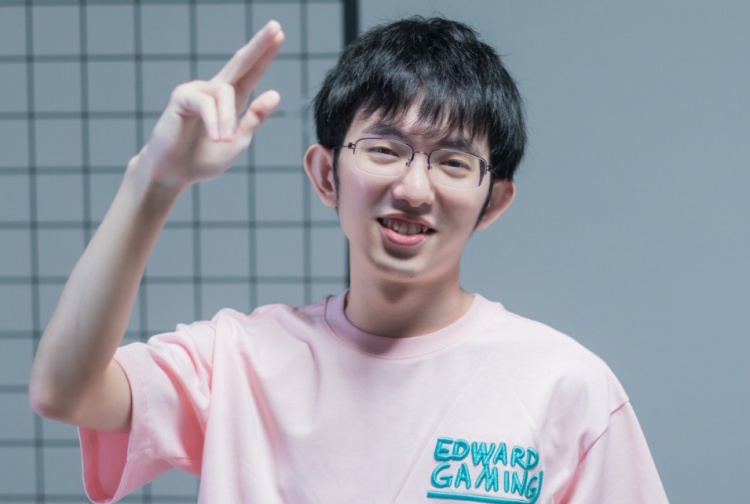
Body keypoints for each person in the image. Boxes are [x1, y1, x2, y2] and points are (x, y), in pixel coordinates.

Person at [29, 16, 668, 504]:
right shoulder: (238, 362)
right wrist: (155, 181)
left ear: (493, 202)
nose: (414, 189)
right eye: (384, 150)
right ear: (326, 175)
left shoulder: (567, 387)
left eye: (452, 162)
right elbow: (64, 390)